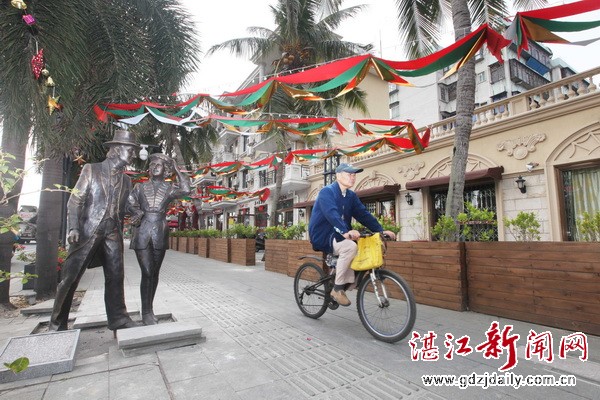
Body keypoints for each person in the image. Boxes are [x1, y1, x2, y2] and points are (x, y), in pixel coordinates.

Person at [50, 129, 140, 332]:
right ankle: (56, 324)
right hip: (88, 230)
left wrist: (135, 213)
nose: (133, 154)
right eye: (130, 149)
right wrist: (73, 227)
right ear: (116, 150)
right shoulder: (92, 169)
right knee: (71, 277)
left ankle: (118, 318)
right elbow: (76, 200)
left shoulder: (127, 180)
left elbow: (126, 206)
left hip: (113, 232)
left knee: (116, 275)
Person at [308, 163, 397, 307]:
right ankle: (337, 290)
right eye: (349, 174)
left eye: (354, 174)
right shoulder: (327, 192)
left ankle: (343, 281)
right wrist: (345, 231)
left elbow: (363, 214)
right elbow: (332, 214)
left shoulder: (351, 196)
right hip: (323, 235)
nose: (353, 177)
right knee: (350, 247)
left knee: (361, 249)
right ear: (338, 175)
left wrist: (380, 231)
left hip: (340, 235)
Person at [128, 153, 191, 325]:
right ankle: (146, 312)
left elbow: (186, 190)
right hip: (142, 231)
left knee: (154, 273)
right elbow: (129, 202)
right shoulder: (139, 188)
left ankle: (149, 309)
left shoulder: (169, 188)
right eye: (152, 165)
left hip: (160, 232)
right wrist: (136, 212)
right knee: (147, 272)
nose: (154, 167)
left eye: (159, 165)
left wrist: (176, 168)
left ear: (165, 170)